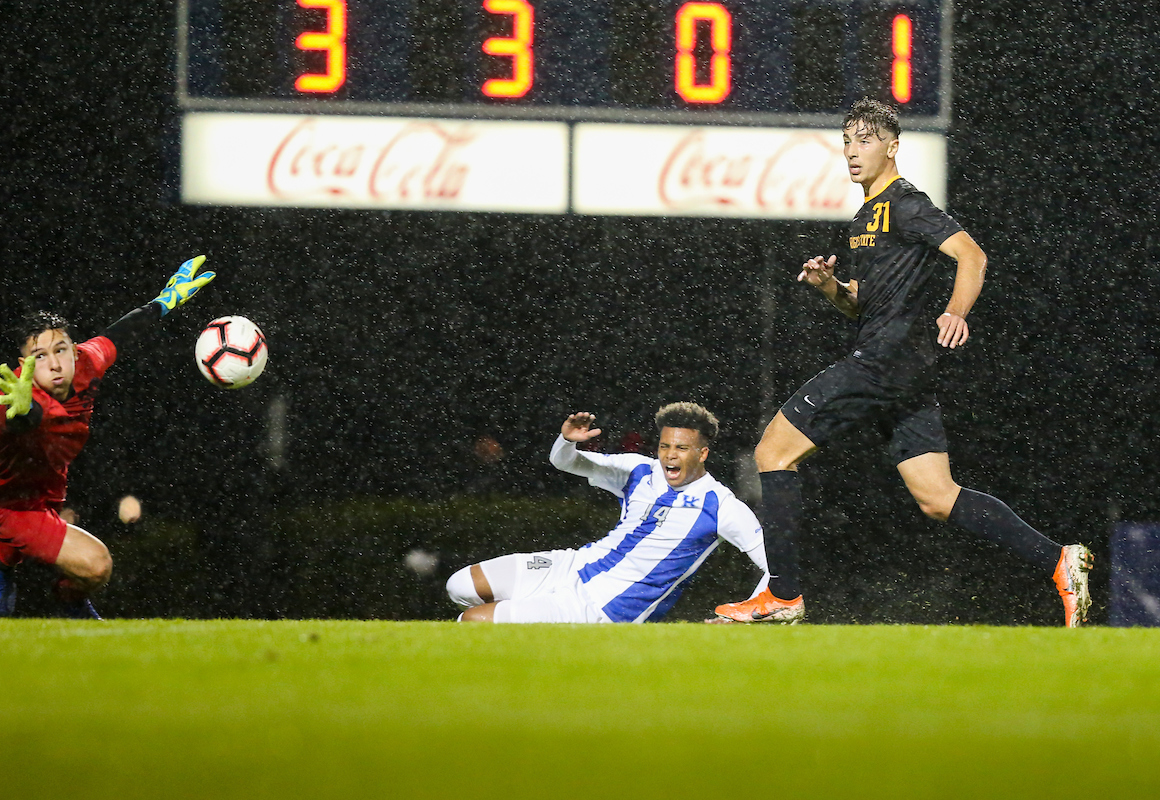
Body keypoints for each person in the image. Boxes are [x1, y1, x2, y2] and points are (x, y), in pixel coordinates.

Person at [714, 98, 1093, 627]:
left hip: (883, 363)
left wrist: (955, 311)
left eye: (864, 140)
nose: (851, 151)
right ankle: (1060, 559)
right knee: (939, 498)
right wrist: (831, 288)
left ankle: (782, 596)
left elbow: (972, 256)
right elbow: (861, 306)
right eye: (846, 140)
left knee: (773, 451)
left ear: (892, 147)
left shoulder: (905, 202)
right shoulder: (866, 216)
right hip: (903, 370)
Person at [0, 256, 216, 618]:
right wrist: (21, 412)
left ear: (72, 348)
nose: (54, 363)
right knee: (97, 567)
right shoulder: (10, 397)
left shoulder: (84, 361)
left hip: (44, 482)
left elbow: (119, 334)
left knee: (33, 539)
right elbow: (19, 420)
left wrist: (165, 301)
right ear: (24, 364)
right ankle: (70, 601)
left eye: (60, 349)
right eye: (39, 356)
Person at [447, 403, 771, 623]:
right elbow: (566, 462)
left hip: (600, 607)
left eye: (681, 449)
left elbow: (775, 567)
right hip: (572, 566)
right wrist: (566, 441)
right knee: (459, 586)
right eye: (664, 446)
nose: (669, 456)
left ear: (703, 454)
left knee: (472, 622)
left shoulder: (721, 505)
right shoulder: (639, 471)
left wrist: (746, 613)